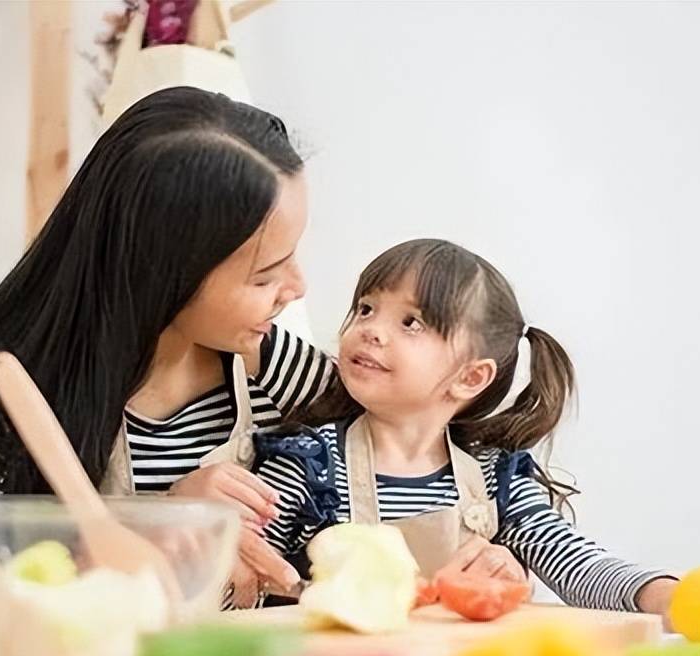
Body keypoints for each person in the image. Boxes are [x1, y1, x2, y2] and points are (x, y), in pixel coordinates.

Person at [0, 87, 330, 595]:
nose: (297, 287)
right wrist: (154, 525)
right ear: (165, 271)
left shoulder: (272, 368)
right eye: (264, 277)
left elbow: (424, 433)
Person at [252, 239, 677, 614]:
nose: (370, 330)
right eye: (366, 309)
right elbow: (238, 580)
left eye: (410, 322)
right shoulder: (308, 466)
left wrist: (663, 598)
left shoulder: (495, 479)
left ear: (470, 378)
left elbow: (577, 565)